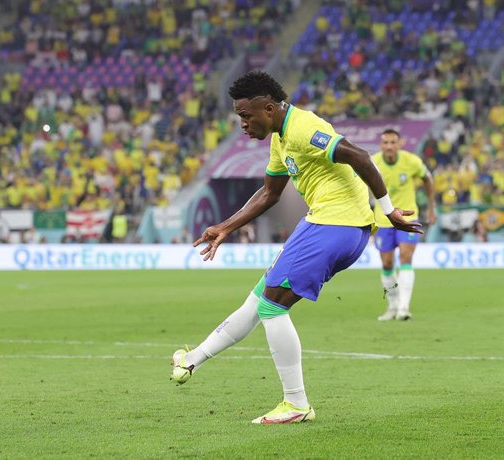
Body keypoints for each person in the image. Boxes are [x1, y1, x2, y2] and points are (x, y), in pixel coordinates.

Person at [170, 71, 422, 425]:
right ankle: (192, 359)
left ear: (269, 108)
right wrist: (225, 227)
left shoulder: (304, 128)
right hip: (324, 224)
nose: (242, 123)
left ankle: (296, 404)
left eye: (245, 115)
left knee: (273, 307)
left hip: (337, 225)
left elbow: (361, 156)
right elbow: (270, 193)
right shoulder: (280, 137)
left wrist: (389, 209)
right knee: (259, 300)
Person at [372, 129, 436, 321]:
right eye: (385, 143)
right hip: (383, 219)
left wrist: (432, 207)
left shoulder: (411, 161)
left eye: (393, 142)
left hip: (408, 217)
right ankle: (392, 306)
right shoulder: (373, 163)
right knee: (387, 263)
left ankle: (403, 308)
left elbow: (428, 178)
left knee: (406, 258)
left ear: (400, 144)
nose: (389, 146)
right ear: (381, 145)